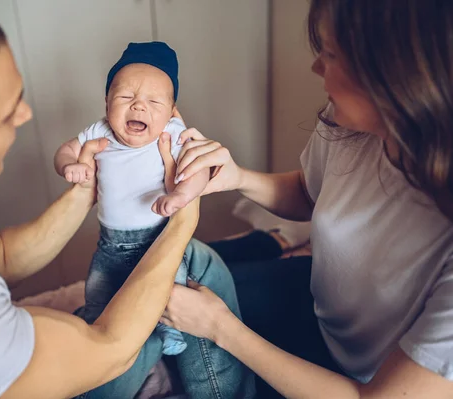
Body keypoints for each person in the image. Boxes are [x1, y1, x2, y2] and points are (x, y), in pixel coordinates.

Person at [0, 1, 250, 398]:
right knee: (192, 273)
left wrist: (87, 187)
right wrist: (182, 219)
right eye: (7, 113)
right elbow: (107, 352)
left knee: (201, 263)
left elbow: (1, 256)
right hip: (96, 358)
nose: (25, 114)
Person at [159, 0, 453, 398]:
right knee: (169, 287)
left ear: (399, 79)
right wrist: (237, 177)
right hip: (317, 308)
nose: (316, 66)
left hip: (361, 382)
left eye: (330, 54)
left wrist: (220, 327)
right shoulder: (349, 126)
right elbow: (309, 193)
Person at [54, 40, 251, 399]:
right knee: (100, 297)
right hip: (109, 245)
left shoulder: (171, 135)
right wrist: (72, 164)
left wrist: (180, 195)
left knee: (169, 294)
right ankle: (105, 337)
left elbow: (198, 171)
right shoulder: (98, 133)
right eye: (125, 96)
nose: (139, 105)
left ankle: (170, 336)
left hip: (158, 241)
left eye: (154, 101)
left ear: (172, 111)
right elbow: (66, 149)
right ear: (106, 103)